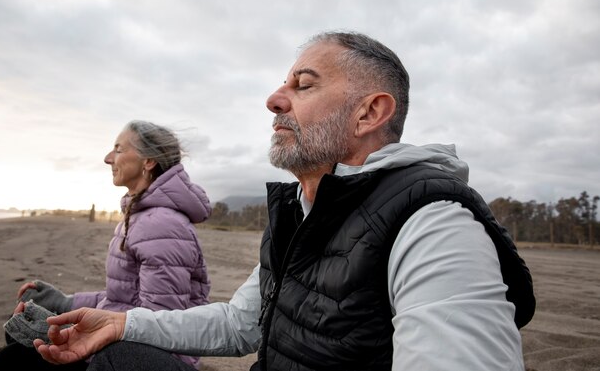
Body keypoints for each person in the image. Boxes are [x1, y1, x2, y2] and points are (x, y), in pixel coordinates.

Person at [34, 32, 535, 371]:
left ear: (369, 113)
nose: (275, 98)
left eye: (304, 84)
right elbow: (240, 324)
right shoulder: (298, 210)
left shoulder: (433, 223)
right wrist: (122, 321)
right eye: (283, 83)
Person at [0, 120, 212, 370]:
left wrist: (70, 333)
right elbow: (124, 299)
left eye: (118, 149)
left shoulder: (161, 224)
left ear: (148, 161)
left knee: (10, 362)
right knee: (20, 328)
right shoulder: (140, 216)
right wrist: (62, 302)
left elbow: (157, 323)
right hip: (124, 339)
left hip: (140, 356)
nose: (108, 158)